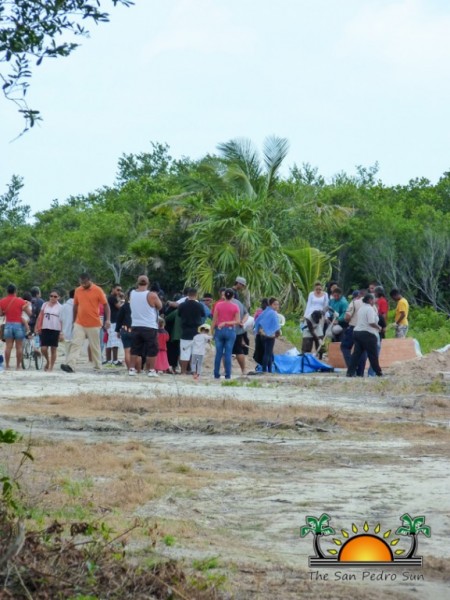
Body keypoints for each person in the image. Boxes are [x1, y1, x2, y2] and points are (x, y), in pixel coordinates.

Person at [61, 273, 110, 373]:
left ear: (89, 280)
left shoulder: (98, 290)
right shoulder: (78, 290)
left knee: (95, 346)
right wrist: (74, 321)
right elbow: (75, 306)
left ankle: (97, 366)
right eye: (81, 282)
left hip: (94, 323)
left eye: (85, 282)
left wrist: (108, 319)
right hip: (80, 322)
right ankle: (71, 365)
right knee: (75, 344)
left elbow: (106, 305)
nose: (83, 284)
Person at [128, 275, 162, 377]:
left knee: (134, 348)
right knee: (152, 348)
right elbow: (159, 306)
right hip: (149, 326)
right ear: (148, 283)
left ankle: (132, 369)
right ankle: (151, 370)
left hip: (135, 325)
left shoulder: (132, 293)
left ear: (137, 283)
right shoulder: (151, 295)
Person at [347, 293, 383, 377]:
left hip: (357, 332)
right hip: (368, 333)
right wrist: (379, 327)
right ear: (370, 300)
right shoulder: (370, 309)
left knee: (356, 354)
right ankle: (378, 372)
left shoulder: (361, 308)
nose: (374, 301)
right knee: (373, 354)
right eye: (373, 299)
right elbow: (371, 322)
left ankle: (350, 372)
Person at [0, 284, 31, 370]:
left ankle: (7, 365)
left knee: (8, 346)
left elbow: (0, 314)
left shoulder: (2, 301)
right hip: (18, 325)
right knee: (19, 347)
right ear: (15, 291)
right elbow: (30, 314)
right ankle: (18, 366)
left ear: (7, 291)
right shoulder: (21, 301)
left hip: (8, 325)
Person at [211, 288, 240, 380]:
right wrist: (227, 322)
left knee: (218, 353)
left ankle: (216, 373)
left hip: (219, 330)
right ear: (233, 296)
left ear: (224, 295)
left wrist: (211, 332)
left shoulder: (218, 305)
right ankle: (228, 374)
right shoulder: (235, 306)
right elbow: (237, 321)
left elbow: (214, 320)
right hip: (230, 330)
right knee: (228, 353)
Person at [177, 288, 204, 375]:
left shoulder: (182, 305)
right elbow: (203, 314)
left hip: (186, 331)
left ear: (188, 295)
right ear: (196, 295)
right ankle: (195, 371)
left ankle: (183, 371)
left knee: (185, 352)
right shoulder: (199, 305)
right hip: (197, 331)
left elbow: (179, 315)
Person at [35, 290, 63, 371]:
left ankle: (51, 367)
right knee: (43, 348)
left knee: (53, 349)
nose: (53, 298)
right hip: (45, 328)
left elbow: (61, 320)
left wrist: (61, 332)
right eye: (51, 296)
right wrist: (38, 327)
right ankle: (48, 361)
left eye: (55, 296)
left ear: (58, 297)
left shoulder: (60, 307)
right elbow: (40, 316)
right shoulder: (45, 305)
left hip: (55, 329)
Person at [254, 297, 280, 373]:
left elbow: (258, 321)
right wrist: (277, 333)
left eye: (278, 305)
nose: (277, 306)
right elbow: (276, 325)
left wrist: (260, 331)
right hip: (270, 335)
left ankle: (269, 370)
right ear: (271, 304)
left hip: (262, 335)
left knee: (268, 352)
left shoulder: (265, 312)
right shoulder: (273, 313)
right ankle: (265, 370)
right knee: (268, 353)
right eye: (275, 304)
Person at [105, 283, 124, 366]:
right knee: (115, 341)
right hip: (113, 322)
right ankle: (115, 360)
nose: (119, 291)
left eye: (120, 290)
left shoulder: (111, 298)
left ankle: (109, 360)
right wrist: (122, 299)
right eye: (118, 290)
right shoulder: (112, 298)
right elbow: (119, 307)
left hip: (112, 321)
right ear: (113, 289)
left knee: (110, 341)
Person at [115, 288, 133, 370]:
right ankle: (137, 368)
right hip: (136, 330)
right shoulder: (139, 306)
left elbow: (119, 319)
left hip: (125, 330)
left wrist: (117, 331)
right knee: (135, 352)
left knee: (127, 351)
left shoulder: (124, 306)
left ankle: (129, 369)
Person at [60, 289, 75, 358]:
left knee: (67, 349)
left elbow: (60, 320)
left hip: (65, 331)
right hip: (76, 330)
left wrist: (61, 332)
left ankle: (68, 361)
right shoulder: (79, 305)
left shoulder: (64, 306)